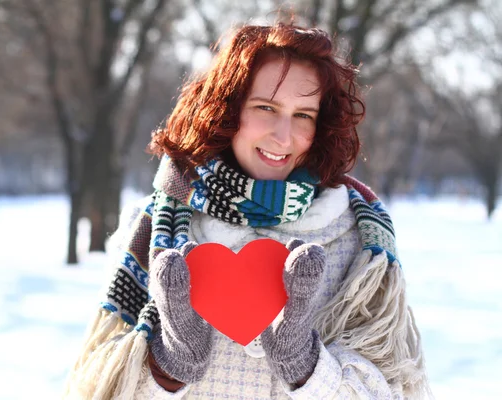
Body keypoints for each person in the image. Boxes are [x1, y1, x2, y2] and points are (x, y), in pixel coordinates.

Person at [64, 21, 429, 400]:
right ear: (226, 110)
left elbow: (392, 389)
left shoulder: (358, 239)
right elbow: (96, 387)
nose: (283, 136)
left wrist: (308, 369)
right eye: (265, 108)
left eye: (303, 115)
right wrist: (166, 367)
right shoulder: (157, 226)